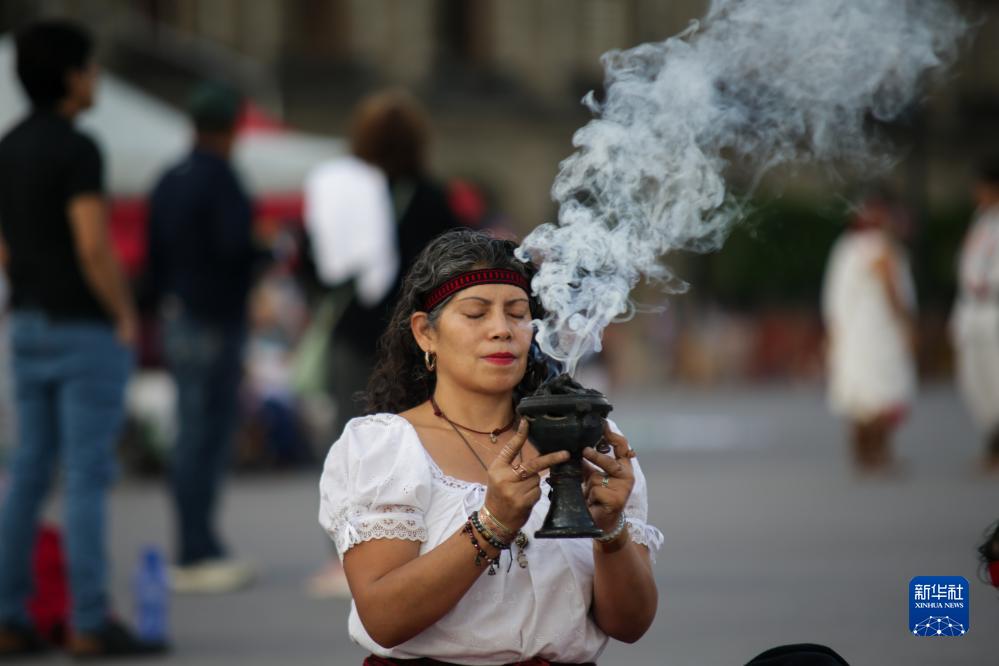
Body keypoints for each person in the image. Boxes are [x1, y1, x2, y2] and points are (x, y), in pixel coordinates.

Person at [318, 228, 662, 664]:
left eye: (517, 314)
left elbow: (630, 625)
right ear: (425, 333)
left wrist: (611, 529)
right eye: (476, 313)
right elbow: (383, 619)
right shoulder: (386, 447)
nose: (501, 330)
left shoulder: (587, 439)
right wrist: (493, 524)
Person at [0, 20, 165, 657]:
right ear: (71, 78)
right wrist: (123, 311)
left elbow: (6, 245)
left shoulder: (9, 145)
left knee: (27, 470)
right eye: (90, 68)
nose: (96, 77)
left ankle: (10, 612)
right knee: (87, 475)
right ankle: (89, 619)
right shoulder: (79, 149)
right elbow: (92, 244)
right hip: (82, 327)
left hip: (28, 320)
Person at [304, 89, 459, 597]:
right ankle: (423, 545)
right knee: (419, 439)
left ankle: (348, 557)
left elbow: (310, 262)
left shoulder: (342, 193)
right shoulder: (431, 197)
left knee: (352, 440)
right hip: (416, 337)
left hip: (353, 334)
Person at [146, 82, 260, 593]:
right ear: (230, 128)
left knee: (189, 434)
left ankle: (195, 542)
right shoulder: (222, 177)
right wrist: (262, 251)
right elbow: (234, 245)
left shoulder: (169, 179)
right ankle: (197, 548)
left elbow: (153, 257)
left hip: (178, 315)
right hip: (215, 318)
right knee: (208, 435)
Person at [821, 191, 917, 473]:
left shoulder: (846, 246)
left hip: (854, 331)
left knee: (861, 394)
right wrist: (906, 323)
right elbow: (892, 289)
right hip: (877, 331)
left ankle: (865, 455)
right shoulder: (877, 245)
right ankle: (877, 453)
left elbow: (833, 297)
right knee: (880, 393)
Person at [950, 160, 999, 473]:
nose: (978, 193)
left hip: (994, 309)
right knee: (975, 382)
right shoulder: (981, 219)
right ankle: (991, 442)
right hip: (972, 312)